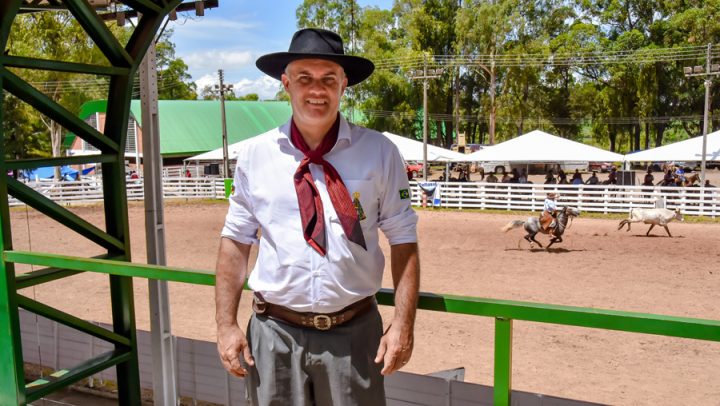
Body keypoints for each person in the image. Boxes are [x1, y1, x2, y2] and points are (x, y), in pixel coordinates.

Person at [214, 28, 420, 406]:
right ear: (286, 84)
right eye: (305, 79)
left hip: (354, 334)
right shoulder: (256, 155)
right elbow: (236, 240)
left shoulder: (380, 152)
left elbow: (404, 239)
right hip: (272, 334)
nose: (317, 90)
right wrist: (226, 325)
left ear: (344, 85)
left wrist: (404, 325)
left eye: (329, 79)